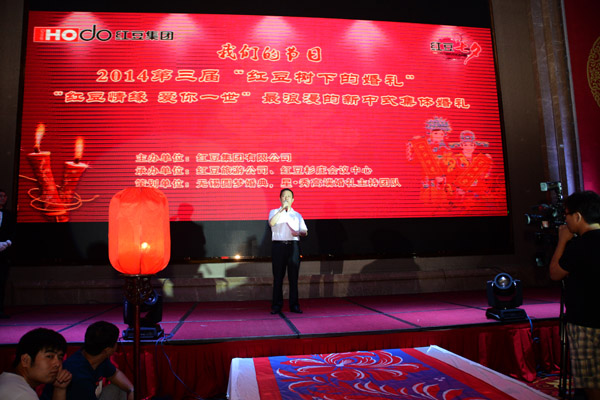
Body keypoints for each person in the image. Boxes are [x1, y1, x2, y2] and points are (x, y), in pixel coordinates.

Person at [550, 190, 600, 400]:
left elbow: (555, 273)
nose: (565, 220)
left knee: (589, 380)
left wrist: (562, 241)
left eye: (567, 215)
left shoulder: (579, 245)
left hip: (584, 322)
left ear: (578, 216)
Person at [41, 321, 134, 400]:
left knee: (118, 388)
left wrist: (131, 390)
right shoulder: (79, 377)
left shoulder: (97, 357)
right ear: (107, 350)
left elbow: (114, 374)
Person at [0, 328, 72, 400]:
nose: (57, 364)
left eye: (60, 358)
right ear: (25, 360)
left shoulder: (7, 380)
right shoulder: (23, 395)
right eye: (49, 356)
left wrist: (59, 389)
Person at [268, 188, 308, 314]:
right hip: (278, 246)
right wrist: (282, 210)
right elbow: (271, 223)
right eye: (284, 196)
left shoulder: (297, 215)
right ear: (280, 199)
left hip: (293, 246)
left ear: (293, 200)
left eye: (288, 196)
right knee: (278, 277)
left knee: (293, 278)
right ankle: (276, 305)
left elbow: (305, 231)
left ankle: (294, 305)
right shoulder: (274, 211)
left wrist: (299, 232)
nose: (286, 198)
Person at [0, 188, 15, 318]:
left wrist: (7, 243)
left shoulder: (9, 215)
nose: (2, 198)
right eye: (0, 196)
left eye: (4, 196)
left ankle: (0, 310)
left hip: (3, 254)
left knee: (1, 282)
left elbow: (13, 232)